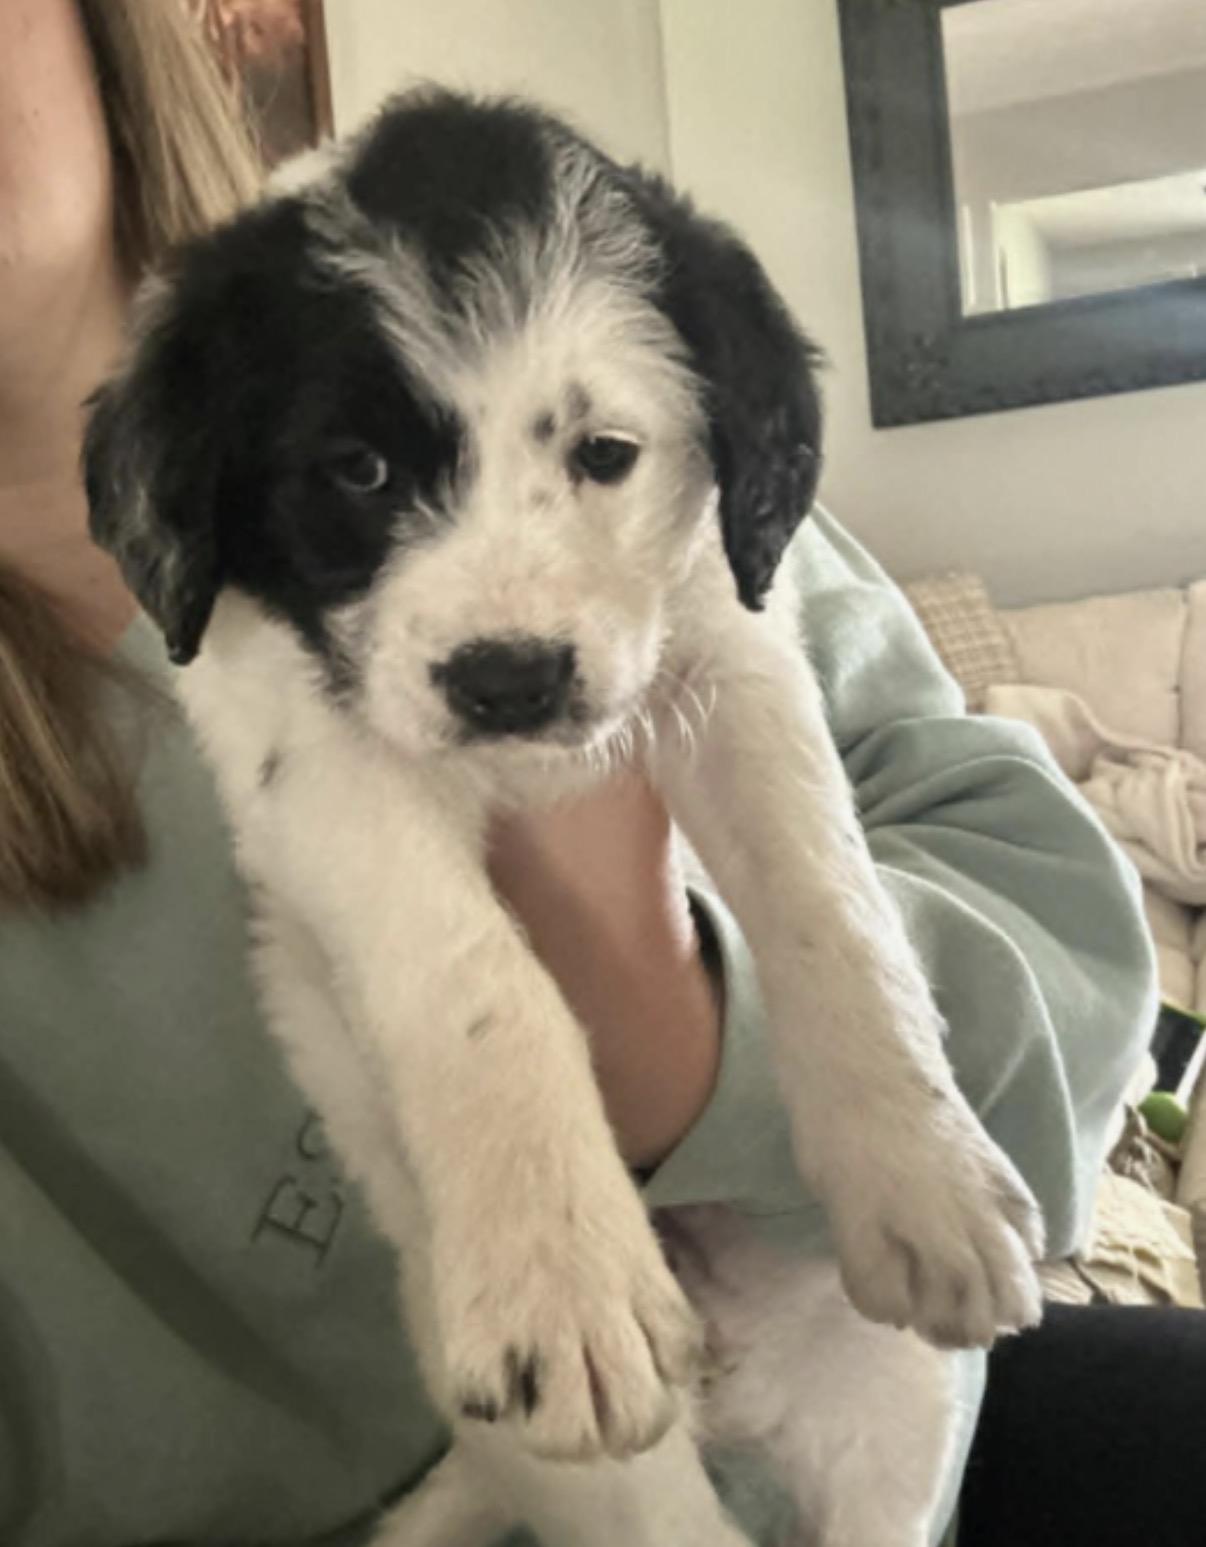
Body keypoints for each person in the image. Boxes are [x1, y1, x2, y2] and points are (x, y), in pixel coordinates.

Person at [0, 3, 1191, 1546]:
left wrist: (699, 1032)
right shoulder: (246, 527)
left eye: (599, 462)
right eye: (358, 477)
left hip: (892, 1409)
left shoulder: (639, 442)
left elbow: (1067, 1000)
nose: (503, 594)